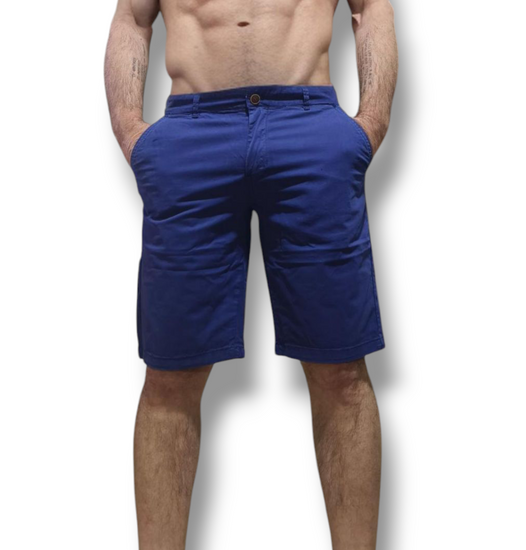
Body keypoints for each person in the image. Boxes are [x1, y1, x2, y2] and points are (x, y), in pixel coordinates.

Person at [105, 0, 398, 547]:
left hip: (309, 124)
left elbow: (370, 8)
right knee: (171, 371)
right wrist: (130, 130)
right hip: (192, 130)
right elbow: (134, 18)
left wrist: (371, 122)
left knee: (339, 366)